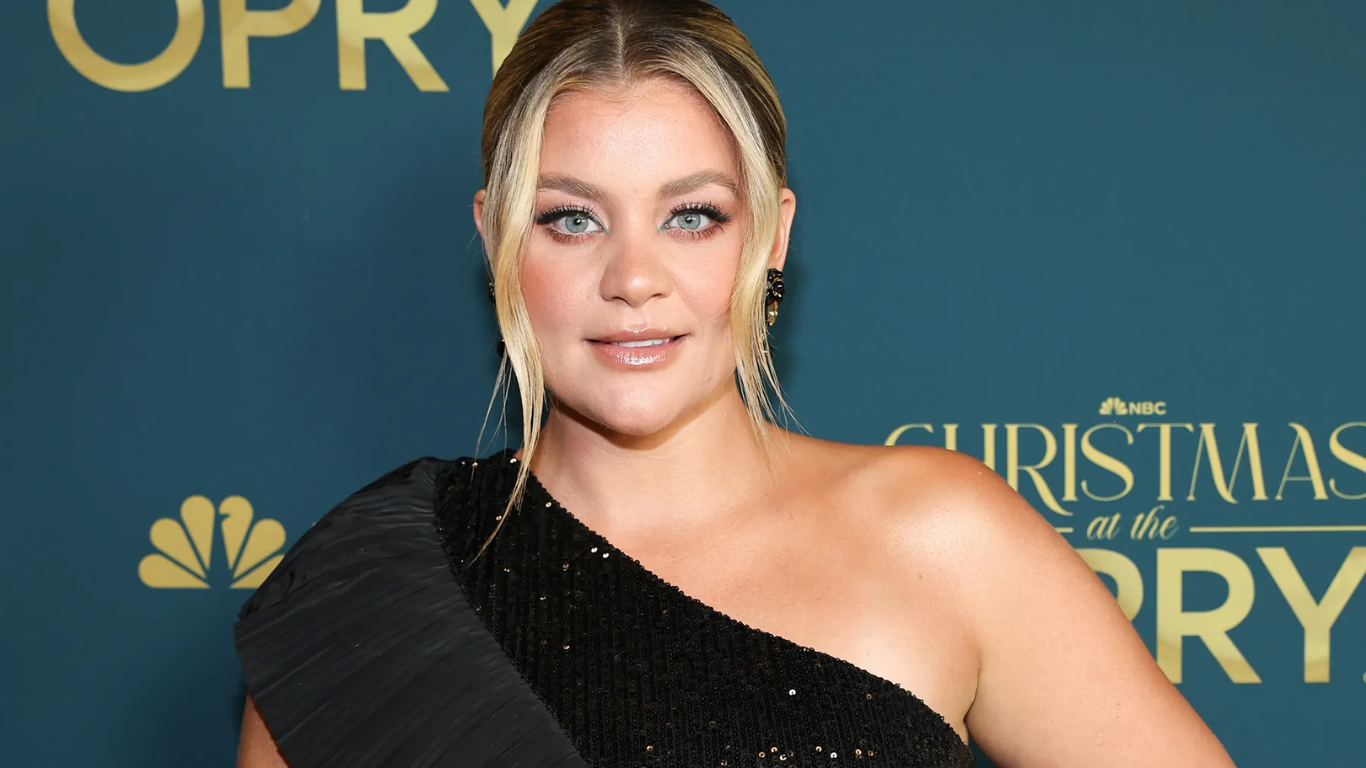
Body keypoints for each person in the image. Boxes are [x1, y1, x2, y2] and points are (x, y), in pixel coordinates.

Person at [234, 1, 1238, 766]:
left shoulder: (944, 537)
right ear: (496, 235)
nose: (633, 280)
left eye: (693, 216)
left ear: (770, 235)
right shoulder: (379, 591)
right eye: (571, 219)